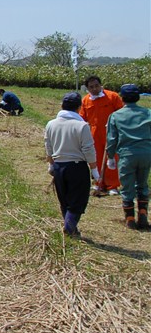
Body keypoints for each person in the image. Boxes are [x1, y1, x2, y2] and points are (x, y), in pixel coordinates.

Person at [44, 92, 98, 238]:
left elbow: (48, 146)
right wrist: (94, 170)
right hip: (77, 167)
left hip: (59, 167)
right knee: (78, 200)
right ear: (79, 107)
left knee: (64, 199)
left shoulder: (51, 124)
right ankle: (69, 227)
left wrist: (51, 164)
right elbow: (89, 150)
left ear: (62, 106)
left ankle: (72, 229)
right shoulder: (81, 126)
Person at [106, 84, 151, 230]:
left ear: (122, 98)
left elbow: (112, 139)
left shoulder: (116, 115)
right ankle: (143, 214)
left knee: (127, 186)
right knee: (142, 184)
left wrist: (110, 157)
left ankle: (130, 218)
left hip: (127, 154)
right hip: (146, 153)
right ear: (137, 97)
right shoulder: (148, 113)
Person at [79, 75, 123, 195]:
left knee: (112, 158)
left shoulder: (112, 97)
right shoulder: (86, 100)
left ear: (101, 85)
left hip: (111, 133)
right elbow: (82, 118)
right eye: (91, 87)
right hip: (93, 133)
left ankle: (112, 185)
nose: (94, 89)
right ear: (87, 88)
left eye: (96, 86)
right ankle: (99, 183)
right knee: (96, 158)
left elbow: (121, 113)